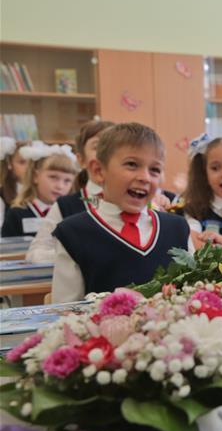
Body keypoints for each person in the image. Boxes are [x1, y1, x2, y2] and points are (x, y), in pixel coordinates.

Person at [50, 123, 191, 302]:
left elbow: (192, 296)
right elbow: (65, 312)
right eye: (132, 165)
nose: (145, 177)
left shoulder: (177, 228)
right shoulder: (72, 233)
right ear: (98, 171)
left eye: (154, 170)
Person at [26, 120, 114, 262]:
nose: (106, 153)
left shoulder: (138, 200)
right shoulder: (65, 206)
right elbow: (34, 254)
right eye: (98, 146)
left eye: (113, 147)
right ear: (81, 159)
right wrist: (74, 254)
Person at [1, 142, 77, 238]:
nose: (60, 186)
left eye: (67, 181)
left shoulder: (72, 214)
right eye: (53, 177)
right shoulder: (16, 213)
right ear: (35, 176)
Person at [0, 136, 29, 228]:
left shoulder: (42, 191)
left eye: (31, 162)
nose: (29, 167)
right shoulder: (2, 193)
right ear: (9, 164)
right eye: (22, 162)